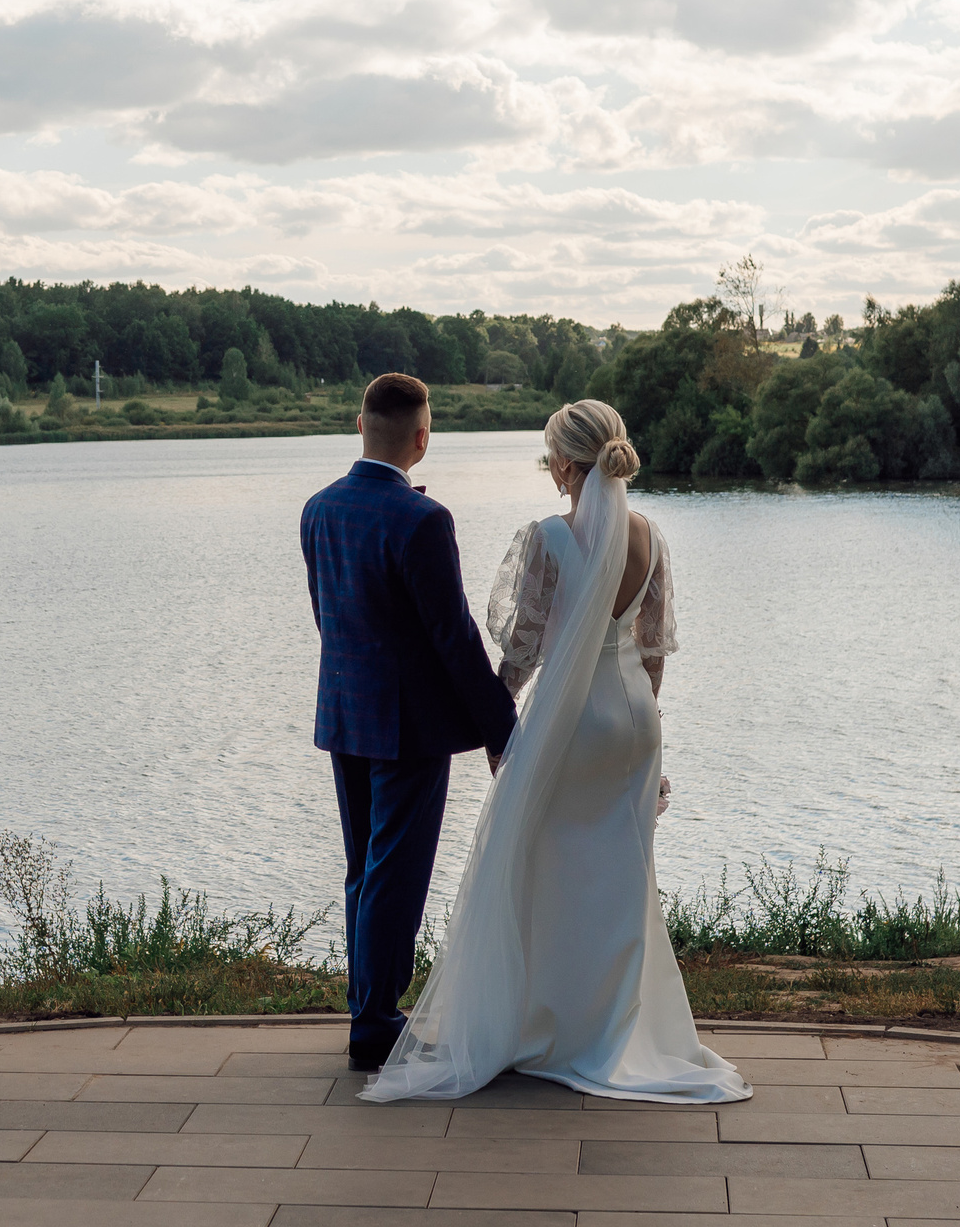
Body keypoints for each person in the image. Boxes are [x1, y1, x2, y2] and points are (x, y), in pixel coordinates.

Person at [362, 399, 749, 1104]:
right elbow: (654, 651)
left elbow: (522, 648)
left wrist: (499, 721)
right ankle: (612, 1029)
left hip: (567, 721)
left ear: (564, 464)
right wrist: (645, 728)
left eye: (549, 456)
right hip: (631, 717)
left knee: (534, 866)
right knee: (621, 877)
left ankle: (543, 1021)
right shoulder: (651, 537)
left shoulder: (547, 537)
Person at [300, 372, 519, 1074]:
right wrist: (502, 728)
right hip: (408, 728)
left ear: (359, 424)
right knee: (394, 872)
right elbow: (452, 638)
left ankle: (368, 1008)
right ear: (422, 440)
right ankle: (375, 1021)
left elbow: (329, 615)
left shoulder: (317, 508)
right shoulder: (424, 521)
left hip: (345, 713)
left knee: (364, 869)